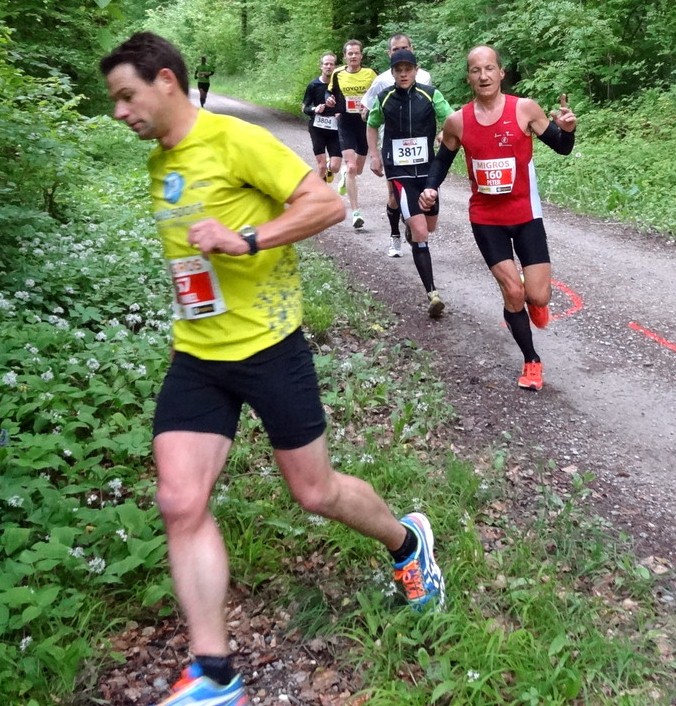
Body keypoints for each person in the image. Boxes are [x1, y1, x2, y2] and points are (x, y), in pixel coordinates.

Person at [99, 31, 445, 706]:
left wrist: (245, 239)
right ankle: (214, 673)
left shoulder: (235, 141)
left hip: (268, 349)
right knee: (179, 499)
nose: (120, 112)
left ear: (166, 81)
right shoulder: (159, 161)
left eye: (126, 96)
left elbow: (324, 204)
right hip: (198, 355)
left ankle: (407, 543)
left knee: (314, 494)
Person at [420, 45, 577, 391]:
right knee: (513, 292)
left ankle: (535, 305)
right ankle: (532, 362)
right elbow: (442, 160)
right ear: (469, 78)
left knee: (538, 296)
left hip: (525, 215)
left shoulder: (524, 109)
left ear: (501, 73)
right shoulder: (457, 121)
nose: (484, 76)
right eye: (476, 70)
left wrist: (567, 130)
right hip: (486, 218)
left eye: (490, 68)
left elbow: (562, 147)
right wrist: (431, 189)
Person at [367, 49, 452, 317]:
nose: (403, 74)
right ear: (392, 73)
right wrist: (374, 156)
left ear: (416, 70)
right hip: (400, 172)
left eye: (408, 69)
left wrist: (443, 132)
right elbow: (371, 124)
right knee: (421, 232)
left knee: (429, 226)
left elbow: (451, 118)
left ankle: (412, 231)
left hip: (428, 171)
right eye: (398, 70)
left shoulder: (430, 94)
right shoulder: (385, 97)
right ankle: (433, 294)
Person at [361, 34, 433, 257]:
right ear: (388, 53)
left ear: (412, 48)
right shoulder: (382, 80)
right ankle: (395, 235)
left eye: (404, 47)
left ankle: (413, 224)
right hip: (392, 144)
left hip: (420, 145)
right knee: (394, 195)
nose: (398, 51)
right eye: (395, 49)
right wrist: (374, 153)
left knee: (421, 193)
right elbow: (366, 110)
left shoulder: (425, 77)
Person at [326, 39, 377, 230]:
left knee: (359, 169)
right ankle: (356, 213)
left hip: (365, 124)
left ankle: (345, 175)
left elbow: (378, 95)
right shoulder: (338, 74)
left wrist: (373, 111)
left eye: (356, 53)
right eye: (350, 53)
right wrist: (331, 102)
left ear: (361, 55)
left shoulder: (371, 74)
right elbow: (330, 93)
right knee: (352, 167)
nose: (353, 56)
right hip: (346, 123)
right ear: (345, 56)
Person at [301, 52, 342, 183]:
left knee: (335, 167)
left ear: (335, 67)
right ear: (321, 66)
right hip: (317, 128)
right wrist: (314, 109)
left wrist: (340, 113)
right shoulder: (313, 85)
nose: (329, 66)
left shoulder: (340, 85)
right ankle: (318, 196)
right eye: (326, 64)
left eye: (331, 64)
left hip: (335, 129)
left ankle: (330, 166)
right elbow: (304, 107)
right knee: (321, 166)